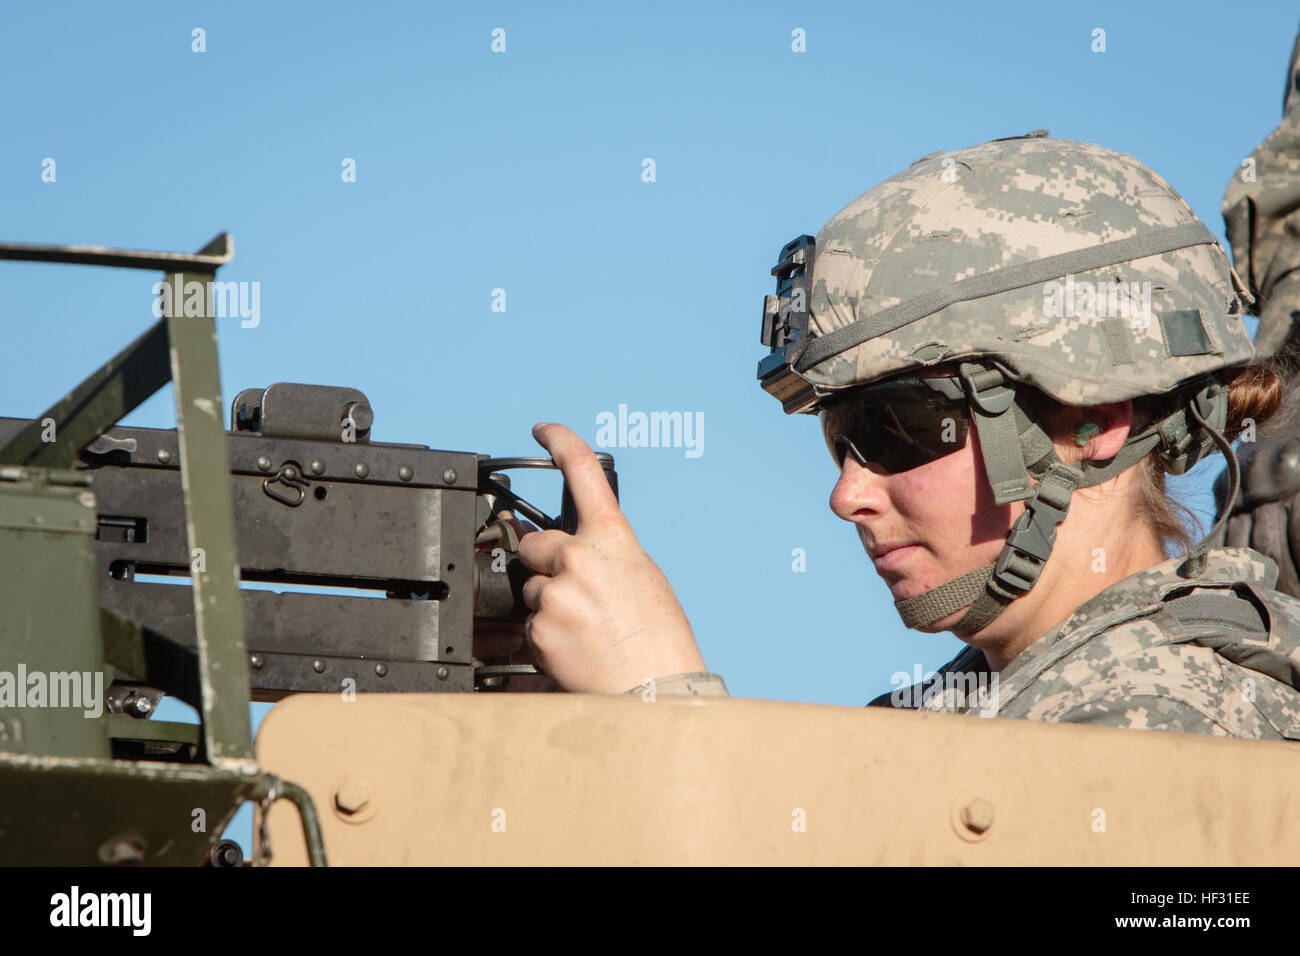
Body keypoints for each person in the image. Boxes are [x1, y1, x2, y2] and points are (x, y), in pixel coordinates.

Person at [502, 130, 1300, 740]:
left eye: (897, 428)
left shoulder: (1182, 719)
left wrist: (665, 718)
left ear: (1093, 419)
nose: (847, 495)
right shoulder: (960, 717)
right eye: (842, 436)